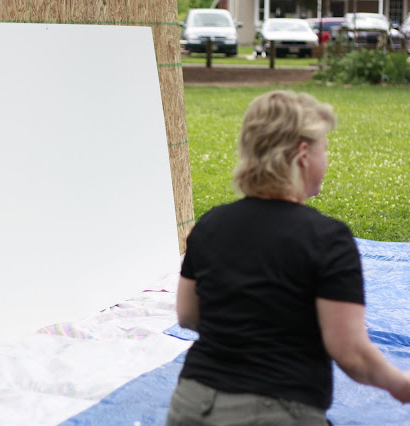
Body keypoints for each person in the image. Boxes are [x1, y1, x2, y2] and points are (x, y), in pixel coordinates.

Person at [166, 90, 410, 425]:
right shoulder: (328, 238)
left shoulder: (209, 225)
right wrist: (402, 385)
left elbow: (188, 315)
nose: (327, 159)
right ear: (303, 155)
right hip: (274, 411)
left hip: (192, 402)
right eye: (325, 149)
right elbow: (352, 354)